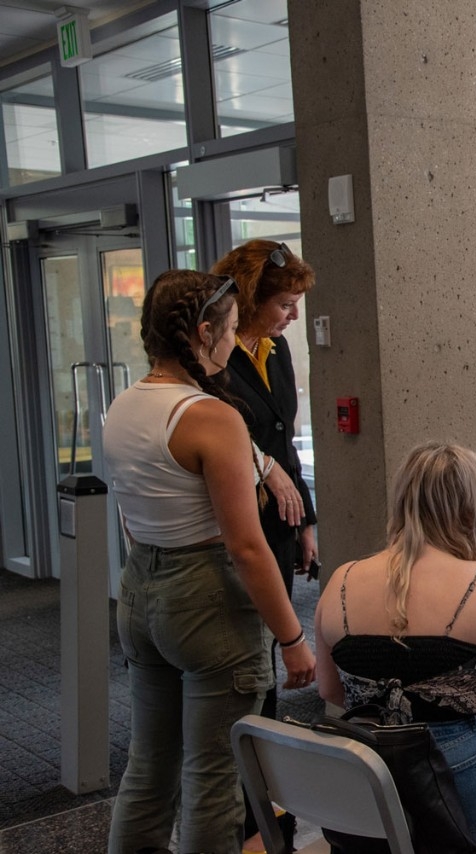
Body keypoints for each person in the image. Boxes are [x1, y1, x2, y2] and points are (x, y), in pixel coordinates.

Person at [104, 270, 316, 854]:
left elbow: (132, 516)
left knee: (147, 771)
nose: (235, 342)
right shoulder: (210, 417)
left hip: (142, 589)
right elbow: (246, 547)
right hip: (206, 602)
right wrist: (292, 637)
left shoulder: (123, 405)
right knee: (213, 779)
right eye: (229, 330)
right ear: (202, 332)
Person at [314, 442, 476, 843]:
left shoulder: (341, 579)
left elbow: (331, 691)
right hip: (459, 782)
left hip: (364, 791)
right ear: (472, 508)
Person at [211, 239, 317, 851]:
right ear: (250, 299)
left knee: (265, 670)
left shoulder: (273, 353)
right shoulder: (212, 363)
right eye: (285, 303)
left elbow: (284, 439)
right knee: (254, 668)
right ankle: (251, 821)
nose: (293, 316)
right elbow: (236, 451)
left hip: (278, 524)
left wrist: (305, 520)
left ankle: (264, 813)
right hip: (239, 530)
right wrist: (264, 471)